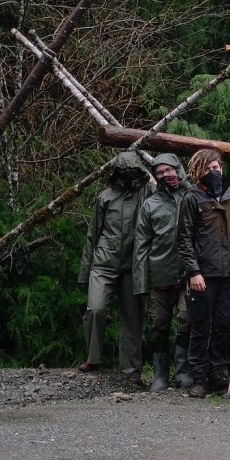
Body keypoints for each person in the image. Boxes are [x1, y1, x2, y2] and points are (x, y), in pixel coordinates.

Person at [76, 152, 153, 381]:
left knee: (133, 317)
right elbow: (92, 235)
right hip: (103, 261)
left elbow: (169, 185)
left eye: (132, 171)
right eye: (123, 172)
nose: (127, 176)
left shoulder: (147, 193)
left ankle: (131, 369)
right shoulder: (105, 197)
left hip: (133, 264)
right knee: (95, 308)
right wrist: (84, 272)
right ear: (116, 174)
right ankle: (93, 359)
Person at [177, 149, 230, 398]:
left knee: (225, 325)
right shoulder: (192, 198)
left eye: (217, 167)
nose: (214, 172)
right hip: (203, 274)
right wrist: (193, 272)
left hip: (229, 274)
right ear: (198, 171)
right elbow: (184, 239)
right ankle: (199, 377)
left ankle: (219, 373)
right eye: (208, 168)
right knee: (200, 326)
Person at [134, 153, 193, 393]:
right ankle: (160, 374)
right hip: (159, 274)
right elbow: (140, 246)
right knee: (159, 325)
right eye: (159, 172)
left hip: (189, 273)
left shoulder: (191, 196)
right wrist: (141, 284)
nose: (165, 175)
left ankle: (183, 370)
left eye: (169, 170)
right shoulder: (150, 205)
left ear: (178, 169)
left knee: (187, 319)